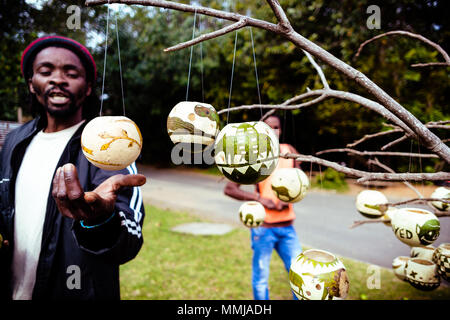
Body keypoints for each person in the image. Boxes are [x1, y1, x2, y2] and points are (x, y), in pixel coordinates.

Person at [0, 35, 146, 300]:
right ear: (32, 84)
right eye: (46, 71)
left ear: (88, 87)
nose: (58, 79)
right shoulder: (14, 141)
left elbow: (130, 240)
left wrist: (100, 220)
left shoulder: (109, 143)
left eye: (71, 73)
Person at [224, 115, 303, 300]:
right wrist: (259, 199)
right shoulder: (253, 155)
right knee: (261, 277)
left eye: (276, 127)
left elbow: (301, 183)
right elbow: (230, 189)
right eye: (268, 127)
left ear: (280, 130)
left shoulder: (289, 151)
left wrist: (290, 198)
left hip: (287, 227)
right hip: (263, 228)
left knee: (301, 274)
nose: (273, 131)